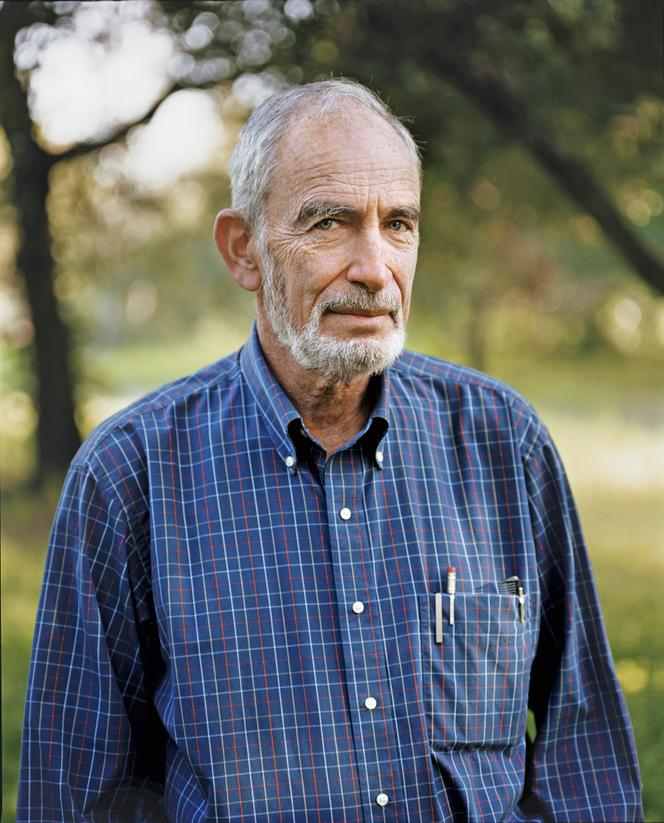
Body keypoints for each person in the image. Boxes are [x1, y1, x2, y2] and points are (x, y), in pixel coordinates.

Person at [18, 79, 642, 823]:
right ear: (243, 249)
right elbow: (78, 796)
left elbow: (588, 762)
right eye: (331, 224)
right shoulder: (131, 475)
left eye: (399, 224)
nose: (375, 268)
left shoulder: (505, 443)